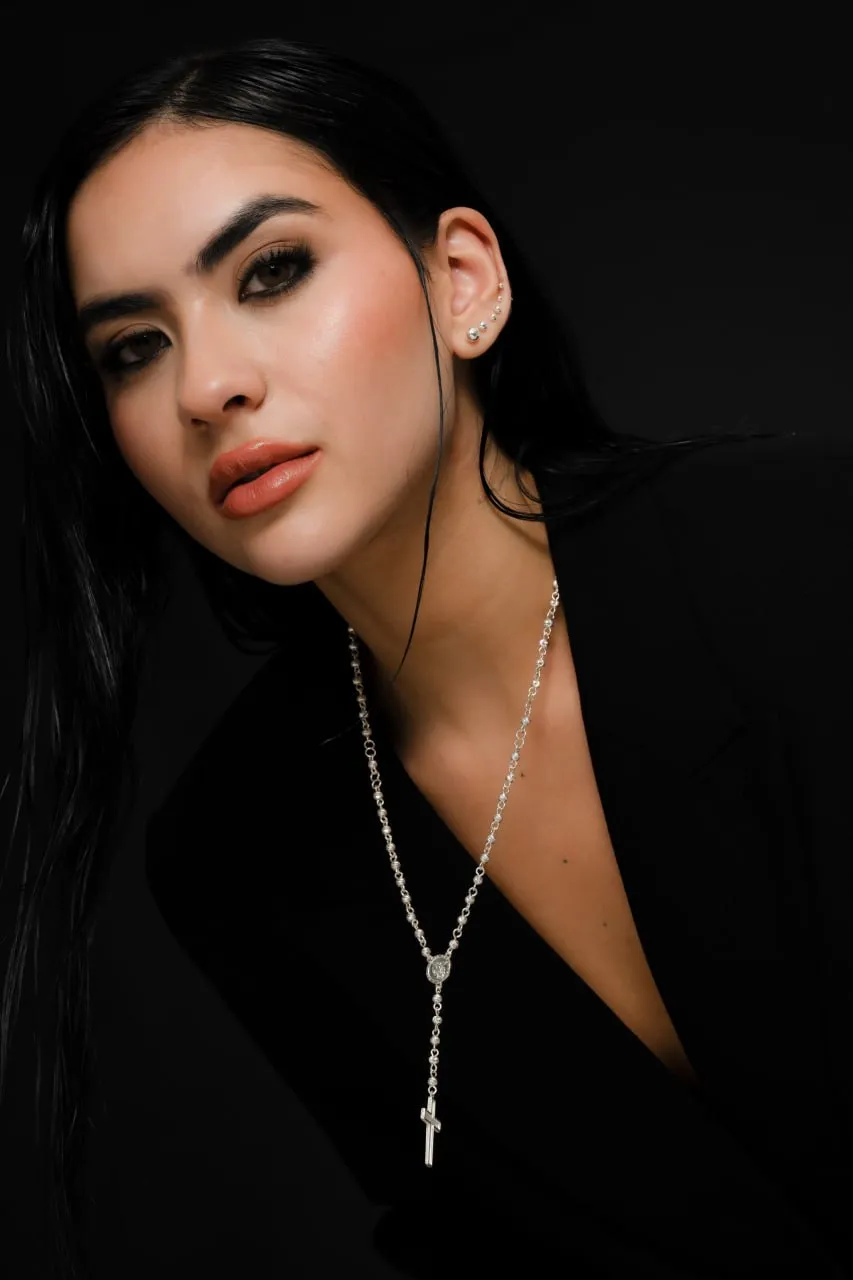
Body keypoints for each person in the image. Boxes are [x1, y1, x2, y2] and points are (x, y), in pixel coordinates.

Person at [2, 32, 850, 1280]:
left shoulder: (807, 546)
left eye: (272, 270)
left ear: (462, 282)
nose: (206, 387)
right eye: (134, 346)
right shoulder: (236, 858)